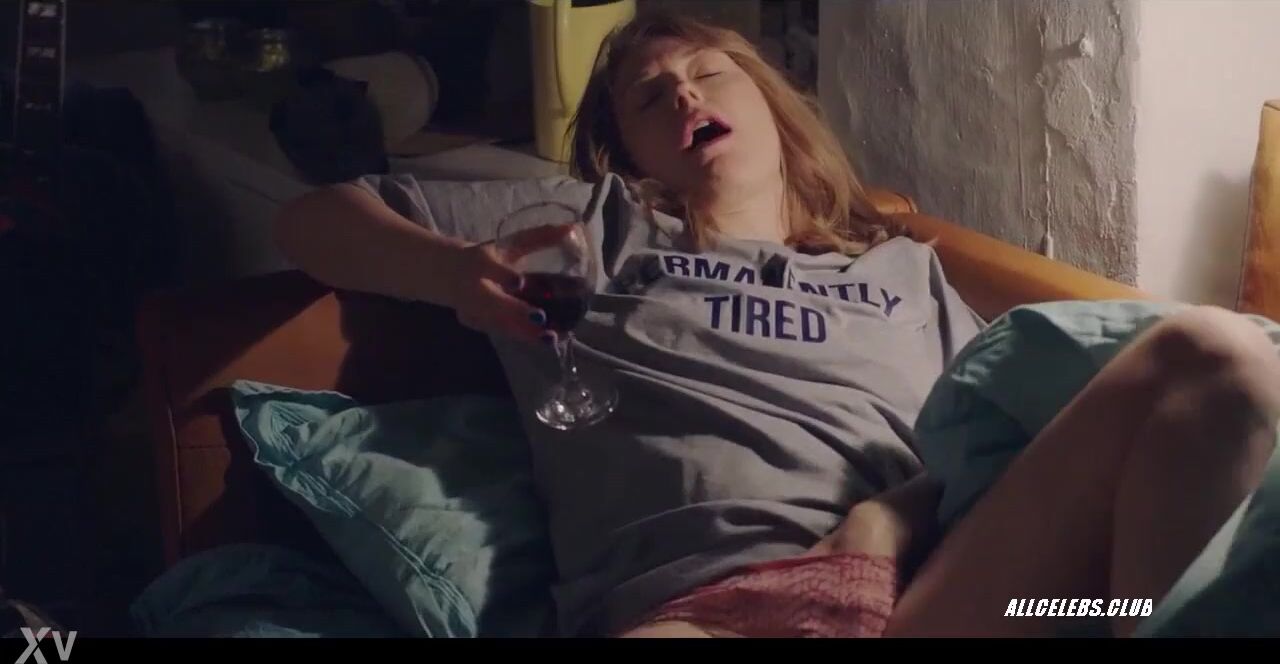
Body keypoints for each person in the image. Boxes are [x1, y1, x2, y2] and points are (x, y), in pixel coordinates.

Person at [273, 12, 1280, 638]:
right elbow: (314, 220)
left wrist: (886, 522)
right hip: (698, 610)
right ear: (627, 150)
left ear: (767, 101)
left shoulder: (906, 269)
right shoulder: (587, 231)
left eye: (709, 72)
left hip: (934, 595)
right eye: (648, 96)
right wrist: (452, 274)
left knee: (1220, 352)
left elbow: (993, 448)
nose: (683, 94)